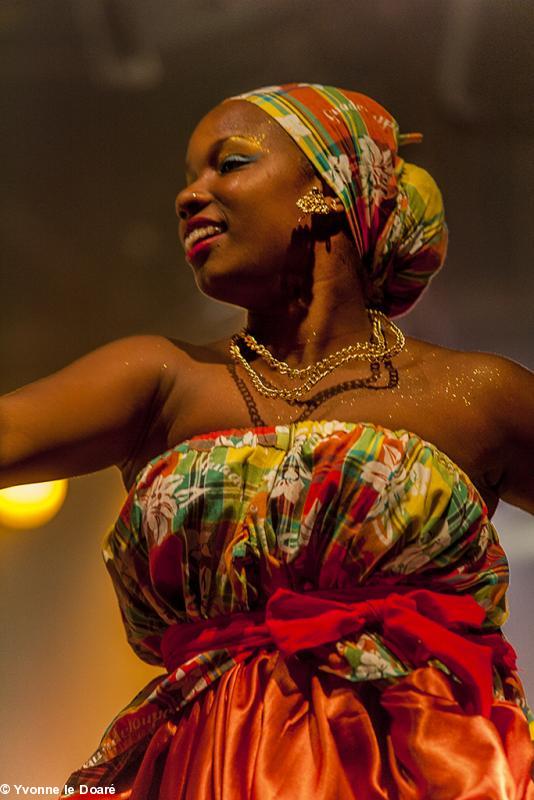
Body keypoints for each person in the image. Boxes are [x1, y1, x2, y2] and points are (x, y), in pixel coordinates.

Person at [1, 82, 533, 798]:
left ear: (325, 187)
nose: (192, 195)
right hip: (211, 766)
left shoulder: (478, 396)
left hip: (430, 769)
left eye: (230, 163)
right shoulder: (164, 380)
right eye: (190, 178)